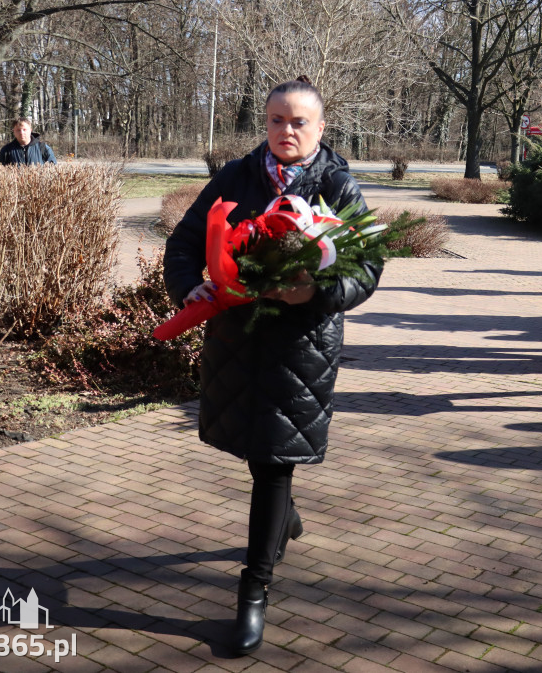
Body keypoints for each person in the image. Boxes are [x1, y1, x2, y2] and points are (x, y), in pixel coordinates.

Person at [162, 77, 382, 656]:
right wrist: (188, 288)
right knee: (261, 458)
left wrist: (311, 292)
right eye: (277, 120)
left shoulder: (337, 183)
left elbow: (366, 269)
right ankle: (284, 517)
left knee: (273, 461)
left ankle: (252, 596)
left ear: (320, 127)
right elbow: (184, 244)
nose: (287, 131)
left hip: (300, 348)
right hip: (237, 338)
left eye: (299, 122)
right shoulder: (236, 177)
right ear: (265, 123)